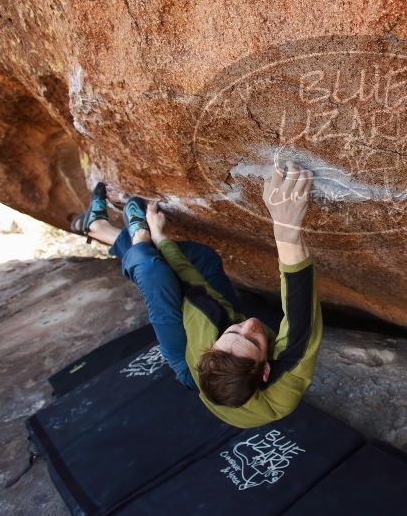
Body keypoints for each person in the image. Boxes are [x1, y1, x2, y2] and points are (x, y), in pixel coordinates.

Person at [70, 160, 320, 428]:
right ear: (266, 369)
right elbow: (301, 315)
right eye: (253, 339)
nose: (250, 324)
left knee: (152, 269)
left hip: (185, 363)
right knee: (203, 259)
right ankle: (103, 230)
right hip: (218, 351)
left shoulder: (203, 335)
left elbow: (193, 288)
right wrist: (285, 230)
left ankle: (135, 240)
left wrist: (157, 235)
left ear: (210, 348)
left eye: (235, 332)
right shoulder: (286, 381)